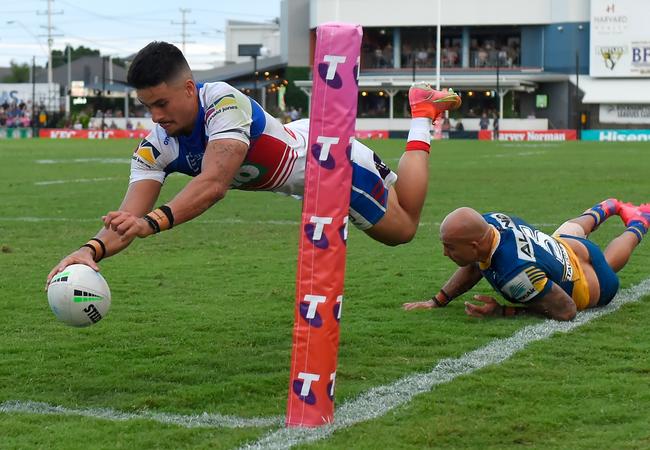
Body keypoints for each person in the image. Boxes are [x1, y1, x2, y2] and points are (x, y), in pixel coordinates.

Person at [46, 41, 460, 286]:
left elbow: (214, 184)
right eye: (146, 106)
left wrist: (151, 223)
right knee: (400, 217)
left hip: (327, 161)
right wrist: (90, 250)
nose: (154, 115)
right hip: (300, 159)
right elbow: (126, 217)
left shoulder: (223, 101)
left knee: (402, 229)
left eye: (161, 103)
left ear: (190, 89)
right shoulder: (155, 146)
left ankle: (421, 114)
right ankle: (423, 113)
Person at [403, 200, 650, 320]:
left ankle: (640, 222)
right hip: (564, 247)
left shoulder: (516, 274)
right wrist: (437, 301)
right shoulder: (490, 222)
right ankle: (610, 206)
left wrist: (503, 311)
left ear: (474, 245)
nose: (445, 253)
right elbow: (474, 266)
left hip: (590, 284)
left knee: (608, 262)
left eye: (449, 247)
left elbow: (566, 311)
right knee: (568, 230)